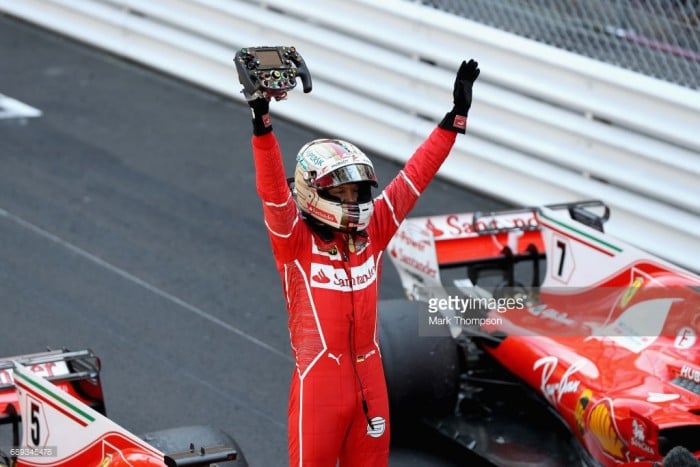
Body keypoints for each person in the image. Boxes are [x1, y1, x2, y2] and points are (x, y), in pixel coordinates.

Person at [245, 58, 480, 466]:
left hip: (373, 386)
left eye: (358, 191)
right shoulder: (293, 240)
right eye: (345, 192)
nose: (354, 201)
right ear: (314, 191)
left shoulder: (376, 229)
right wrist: (261, 120)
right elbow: (271, 191)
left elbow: (414, 177)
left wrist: (454, 118)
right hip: (319, 387)